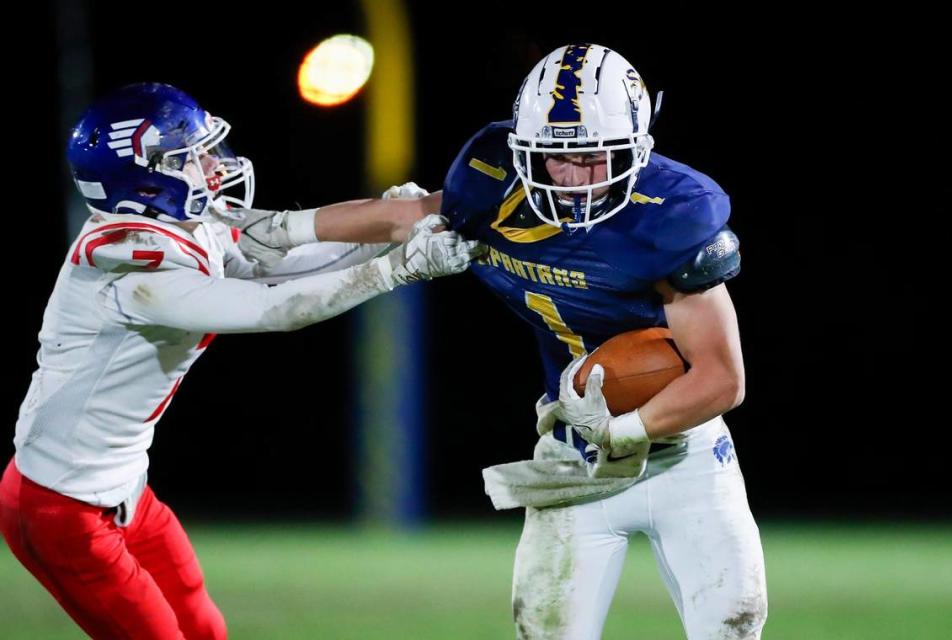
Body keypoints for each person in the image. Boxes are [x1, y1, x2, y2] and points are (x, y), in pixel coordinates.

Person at [0, 82, 476, 640]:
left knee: (206, 628)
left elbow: (287, 250)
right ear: (145, 178)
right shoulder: (128, 264)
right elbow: (275, 307)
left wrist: (398, 226)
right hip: (62, 508)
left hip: (123, 484)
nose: (210, 165)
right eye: (190, 157)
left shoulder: (179, 226)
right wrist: (399, 268)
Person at [440, 44, 768, 639]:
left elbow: (722, 378)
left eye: (594, 156)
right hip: (574, 460)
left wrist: (622, 432)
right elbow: (395, 221)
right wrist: (298, 231)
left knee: (732, 626)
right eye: (554, 159)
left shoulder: (668, 218)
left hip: (683, 456)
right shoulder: (493, 204)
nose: (573, 179)